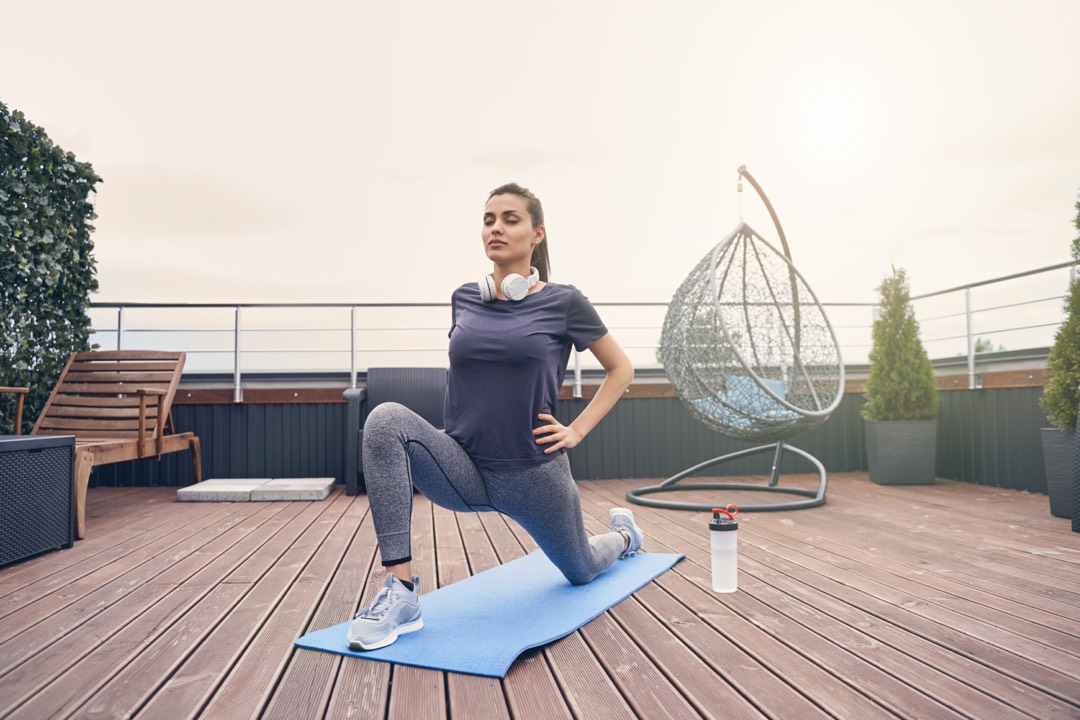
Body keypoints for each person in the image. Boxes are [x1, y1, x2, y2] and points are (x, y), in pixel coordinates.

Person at [348, 182, 642, 651]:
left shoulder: (564, 301)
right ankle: (401, 594)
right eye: (489, 220)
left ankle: (624, 538)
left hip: (533, 475)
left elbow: (620, 368)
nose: (496, 229)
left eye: (510, 219)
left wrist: (577, 429)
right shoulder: (465, 297)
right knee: (385, 419)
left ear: (537, 233)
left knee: (582, 569)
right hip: (462, 467)